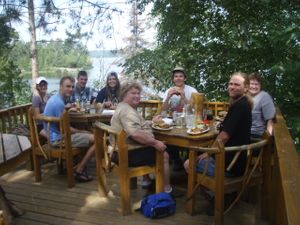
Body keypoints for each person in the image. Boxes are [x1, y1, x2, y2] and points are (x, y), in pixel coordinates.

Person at [110, 82, 181, 196]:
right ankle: (166, 190)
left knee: (152, 146)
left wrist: (152, 122)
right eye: (133, 93)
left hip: (122, 149)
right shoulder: (127, 111)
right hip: (126, 154)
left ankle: (147, 181)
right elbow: (136, 134)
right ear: (123, 95)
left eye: (138, 93)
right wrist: (155, 142)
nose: (137, 96)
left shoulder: (123, 107)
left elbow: (136, 126)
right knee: (164, 154)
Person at [43, 76, 95, 182]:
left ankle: (78, 165)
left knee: (87, 134)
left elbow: (62, 125)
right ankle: (79, 170)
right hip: (59, 139)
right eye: (67, 86)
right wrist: (82, 131)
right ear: (61, 87)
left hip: (55, 136)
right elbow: (65, 129)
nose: (71, 89)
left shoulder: (55, 99)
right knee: (97, 139)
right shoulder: (58, 103)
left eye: (72, 87)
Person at [161, 67, 198, 171]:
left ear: (185, 78)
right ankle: (177, 160)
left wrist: (183, 96)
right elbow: (163, 111)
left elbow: (194, 109)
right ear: (173, 79)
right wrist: (168, 97)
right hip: (173, 122)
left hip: (189, 122)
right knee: (166, 138)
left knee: (190, 140)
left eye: (181, 76)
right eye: (176, 76)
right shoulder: (169, 90)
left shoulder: (192, 91)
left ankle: (187, 160)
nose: (178, 78)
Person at [248, 72, 276, 138]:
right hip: (243, 132)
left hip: (255, 135)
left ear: (260, 86)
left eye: (256, 84)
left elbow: (270, 120)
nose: (254, 86)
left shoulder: (264, 96)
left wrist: (268, 137)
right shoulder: (245, 96)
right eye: (252, 84)